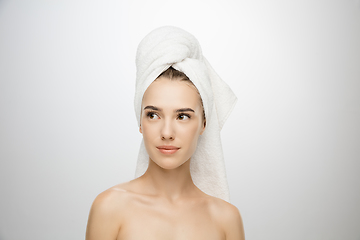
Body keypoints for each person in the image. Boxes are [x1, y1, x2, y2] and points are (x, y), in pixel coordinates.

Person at [86, 26, 245, 240]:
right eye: (153, 115)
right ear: (140, 122)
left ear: (204, 124)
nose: (167, 132)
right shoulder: (109, 208)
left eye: (182, 116)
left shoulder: (226, 218)